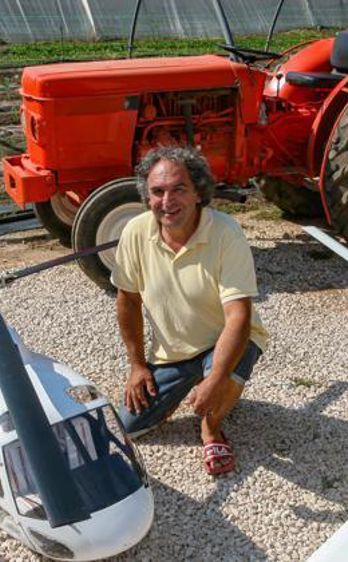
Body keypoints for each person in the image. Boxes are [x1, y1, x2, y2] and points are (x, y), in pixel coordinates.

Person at [111, 145, 268, 476]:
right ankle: (192, 382)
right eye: (157, 191)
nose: (167, 202)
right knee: (131, 425)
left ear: (199, 192)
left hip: (225, 338)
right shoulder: (135, 232)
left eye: (179, 189)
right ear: (147, 196)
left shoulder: (226, 233)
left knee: (226, 371)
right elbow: (128, 300)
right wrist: (137, 365)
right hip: (173, 352)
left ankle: (211, 429)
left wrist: (216, 378)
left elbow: (238, 316)